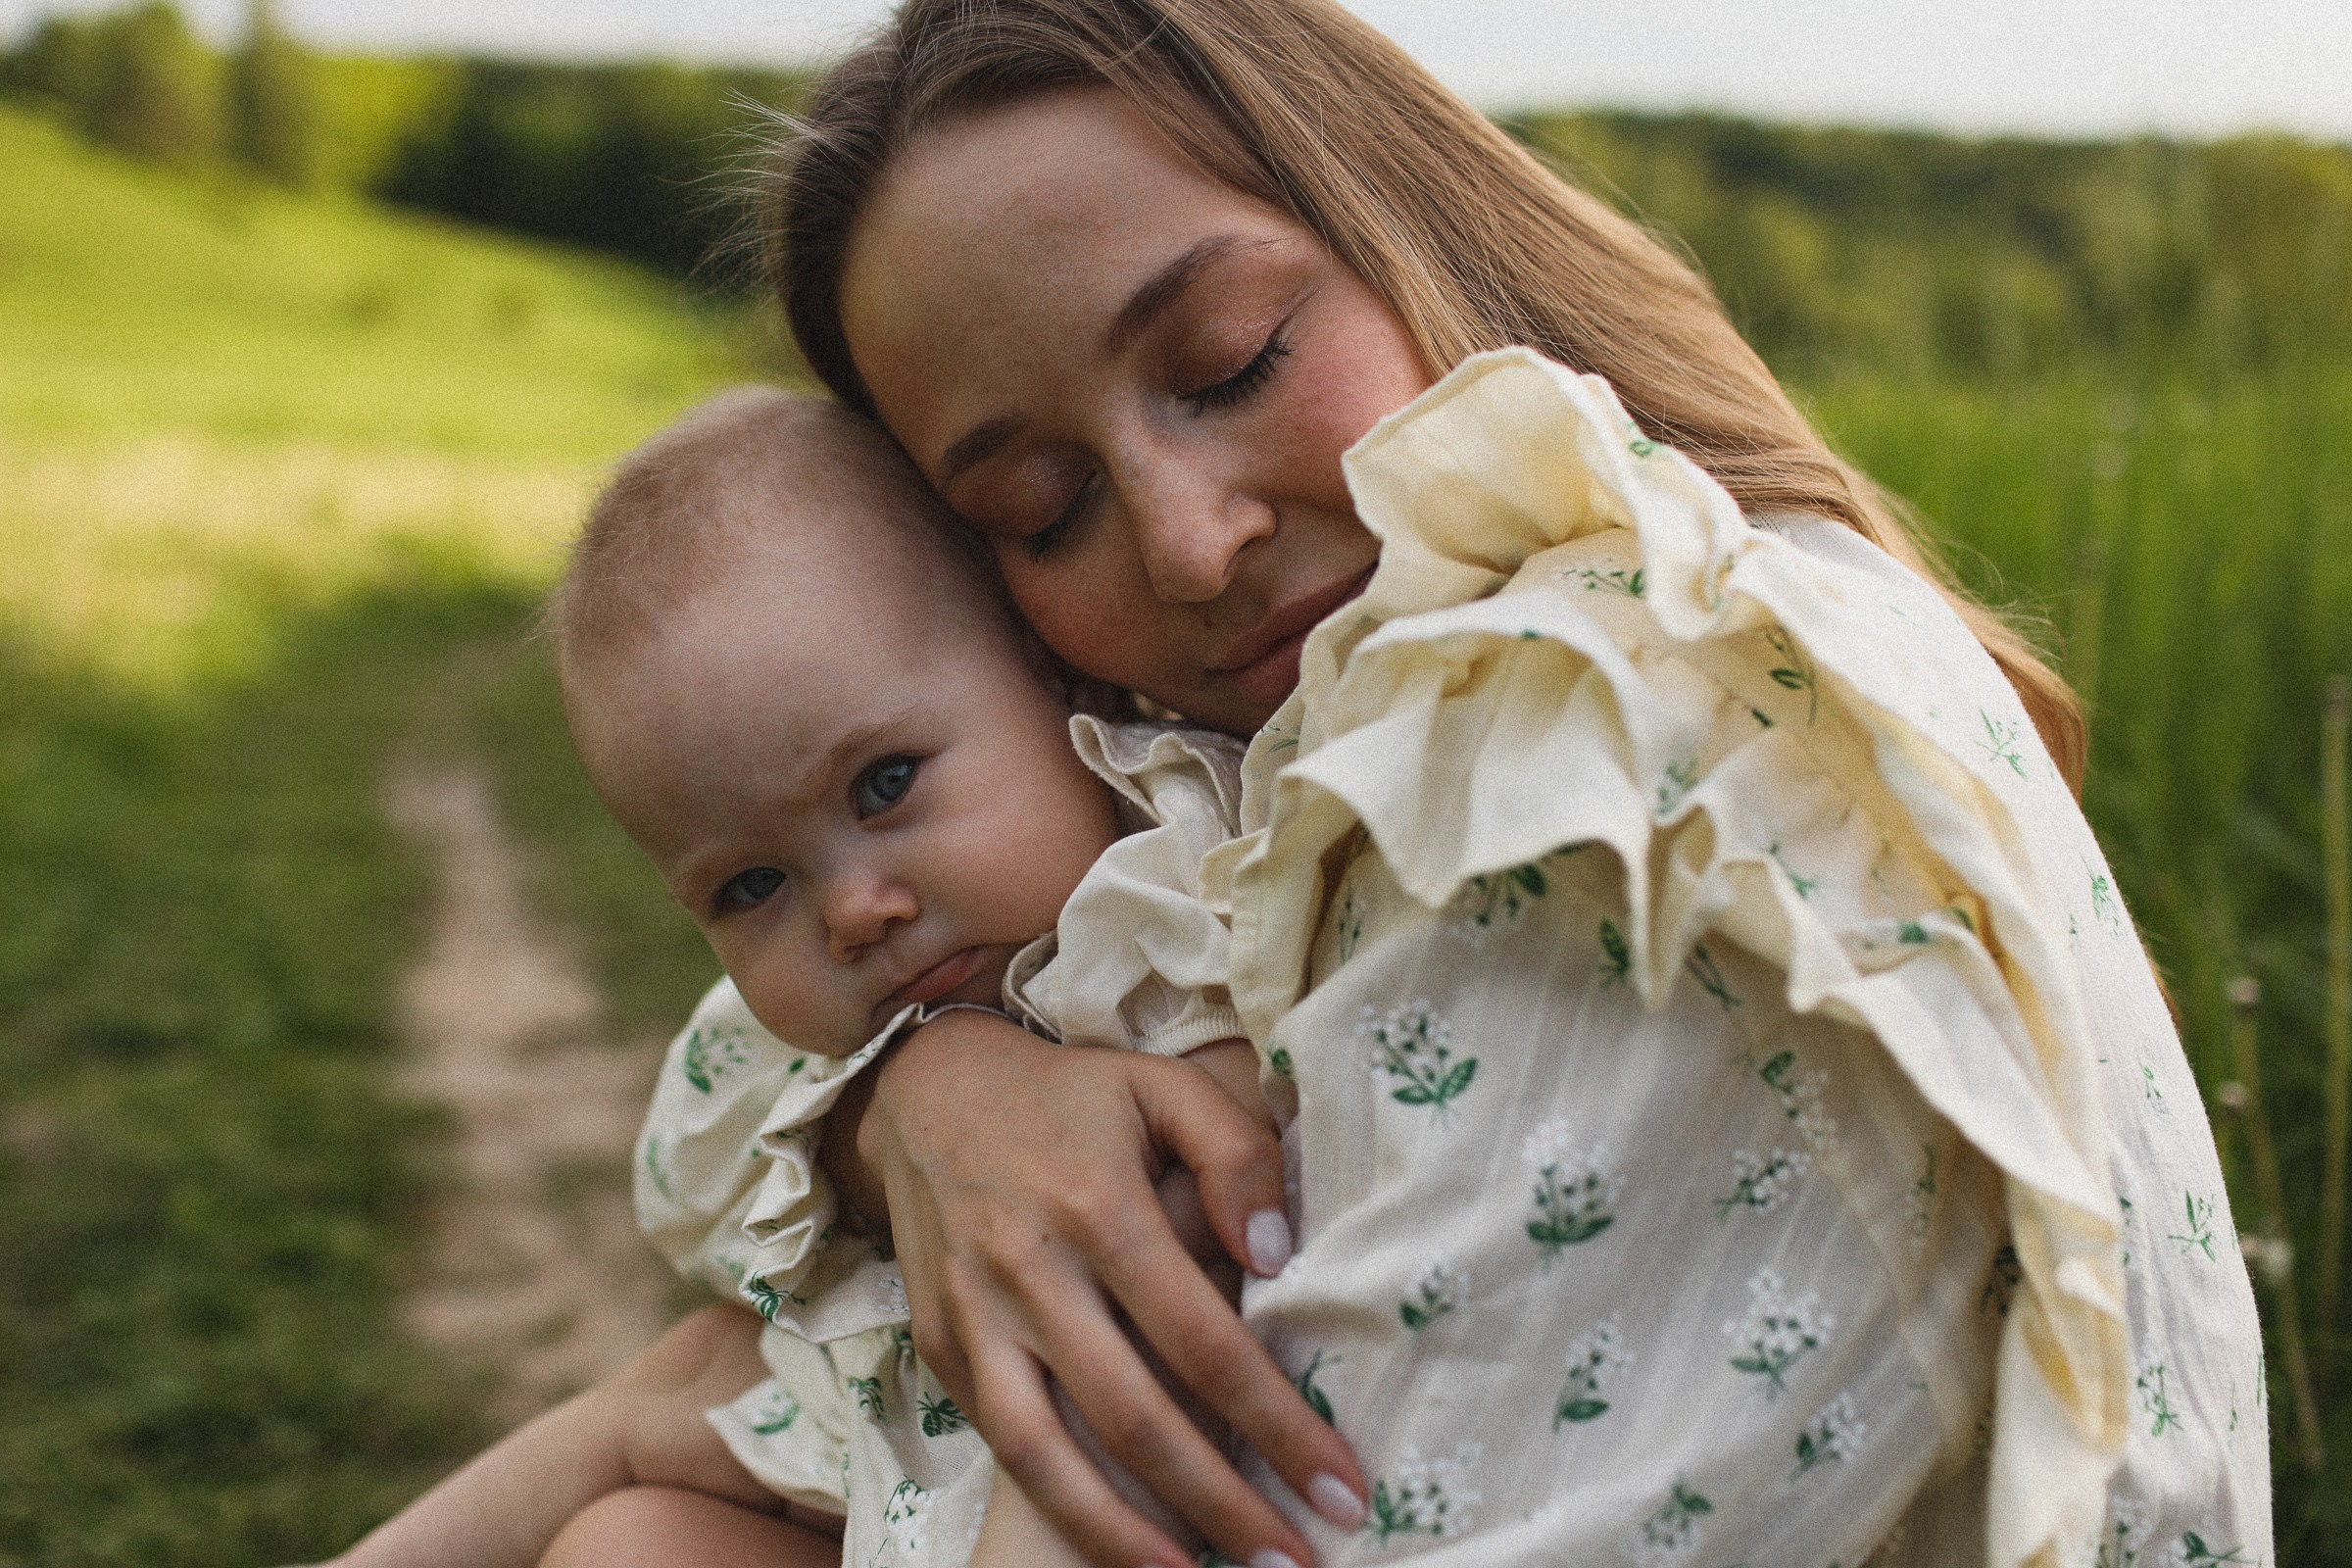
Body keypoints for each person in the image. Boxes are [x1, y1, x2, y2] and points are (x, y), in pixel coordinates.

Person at [712, 2, 2276, 1566]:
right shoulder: (1295, 760)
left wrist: (686, 1428)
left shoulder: (1597, 744)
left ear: (1414, 226)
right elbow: (722, 1091)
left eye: (1235, 363)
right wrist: (927, 1089)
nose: (1189, 546)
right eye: (1042, 510)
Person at [315, 387, 1280, 1568]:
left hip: (1120, 1484)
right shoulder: (833, 1043)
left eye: (885, 785)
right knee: (643, 1501)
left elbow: (1214, 1188)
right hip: (914, 1466)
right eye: (752, 885)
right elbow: (710, 1184)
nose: (853, 912)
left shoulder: (1180, 875)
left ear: (1051, 675)